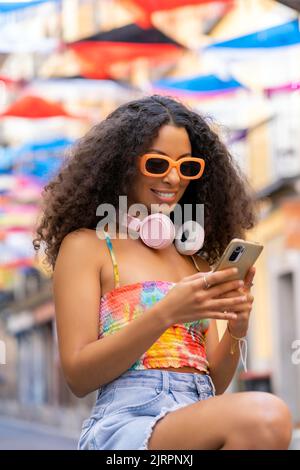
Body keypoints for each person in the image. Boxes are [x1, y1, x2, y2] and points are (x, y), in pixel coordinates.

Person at [33, 94, 292, 450]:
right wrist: (168, 311)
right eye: (157, 164)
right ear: (121, 165)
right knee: (266, 415)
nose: (173, 178)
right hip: (127, 424)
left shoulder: (195, 260)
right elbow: (78, 376)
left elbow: (213, 381)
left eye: (187, 167)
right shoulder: (88, 247)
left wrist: (236, 328)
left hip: (194, 414)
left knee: (264, 420)